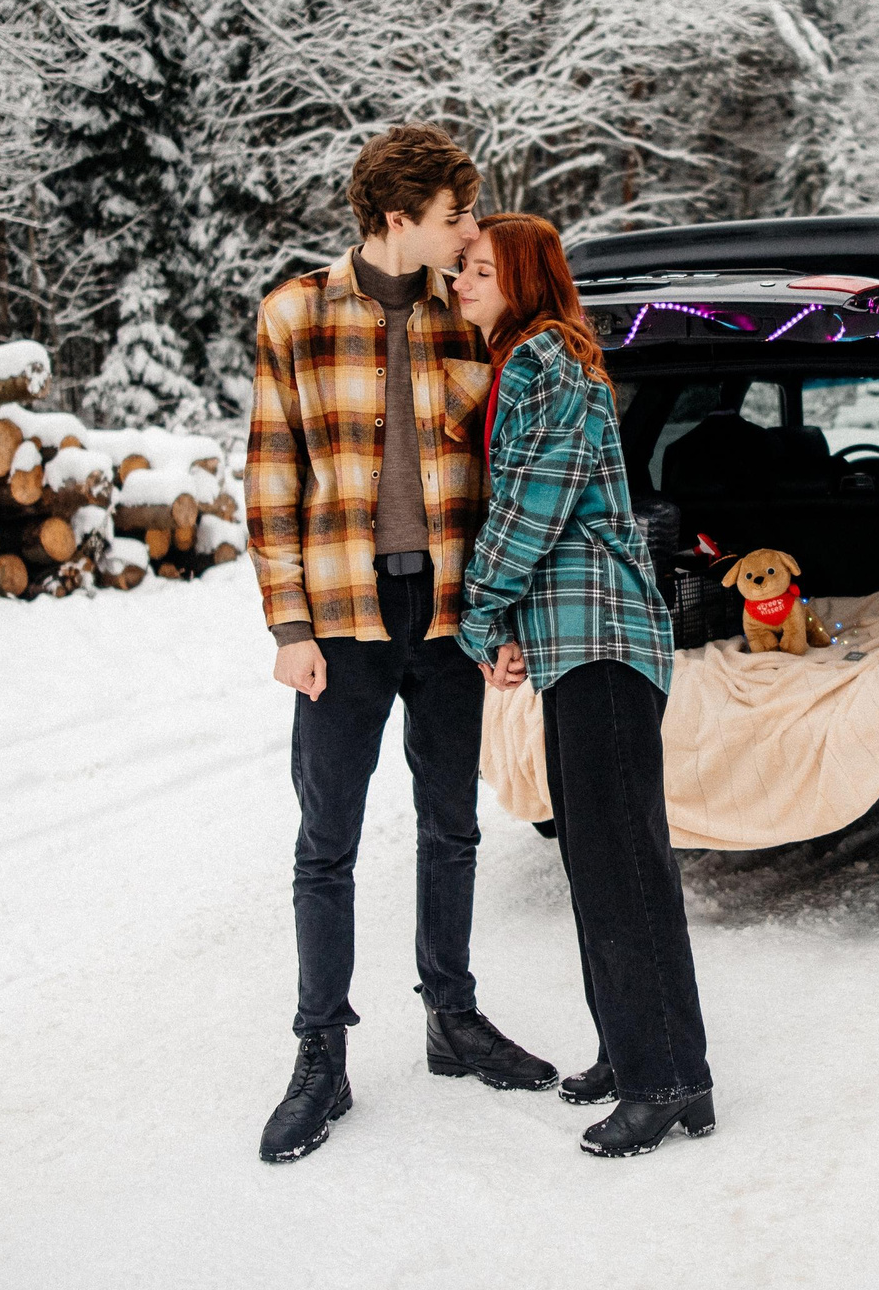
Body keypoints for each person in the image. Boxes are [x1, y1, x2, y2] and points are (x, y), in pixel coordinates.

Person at [245, 127, 558, 1166]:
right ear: (397, 216)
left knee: (452, 824)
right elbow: (270, 479)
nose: (471, 230)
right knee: (324, 839)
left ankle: (451, 1017)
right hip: (339, 613)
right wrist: (289, 624)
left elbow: (505, 474)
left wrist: (502, 620)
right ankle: (320, 1052)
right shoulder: (294, 312)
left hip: (450, 617)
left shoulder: (466, 315)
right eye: (455, 214)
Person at [450, 213, 715, 1158]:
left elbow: (532, 506)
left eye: (478, 269)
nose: (460, 281)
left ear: (523, 276)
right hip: (577, 639)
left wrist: (480, 615)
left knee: (617, 860)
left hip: (600, 641)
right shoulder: (539, 359)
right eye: (459, 267)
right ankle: (645, 1051)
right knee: (605, 856)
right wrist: (518, 625)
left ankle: (663, 1081)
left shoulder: (542, 361)